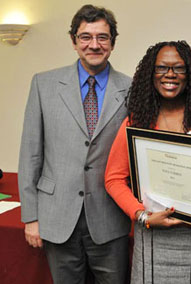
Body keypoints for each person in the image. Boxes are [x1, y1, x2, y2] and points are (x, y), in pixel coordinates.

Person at [18, 5, 131, 283]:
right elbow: (30, 154)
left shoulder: (131, 89)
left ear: (113, 43)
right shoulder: (43, 84)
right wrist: (30, 217)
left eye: (102, 37)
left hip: (110, 217)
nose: (94, 45)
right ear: (74, 41)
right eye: (85, 37)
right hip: (56, 216)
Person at [105, 40, 191, 283]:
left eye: (178, 68)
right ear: (151, 74)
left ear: (190, 75)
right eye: (161, 68)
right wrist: (141, 215)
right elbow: (114, 178)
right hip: (150, 233)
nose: (170, 75)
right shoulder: (137, 120)